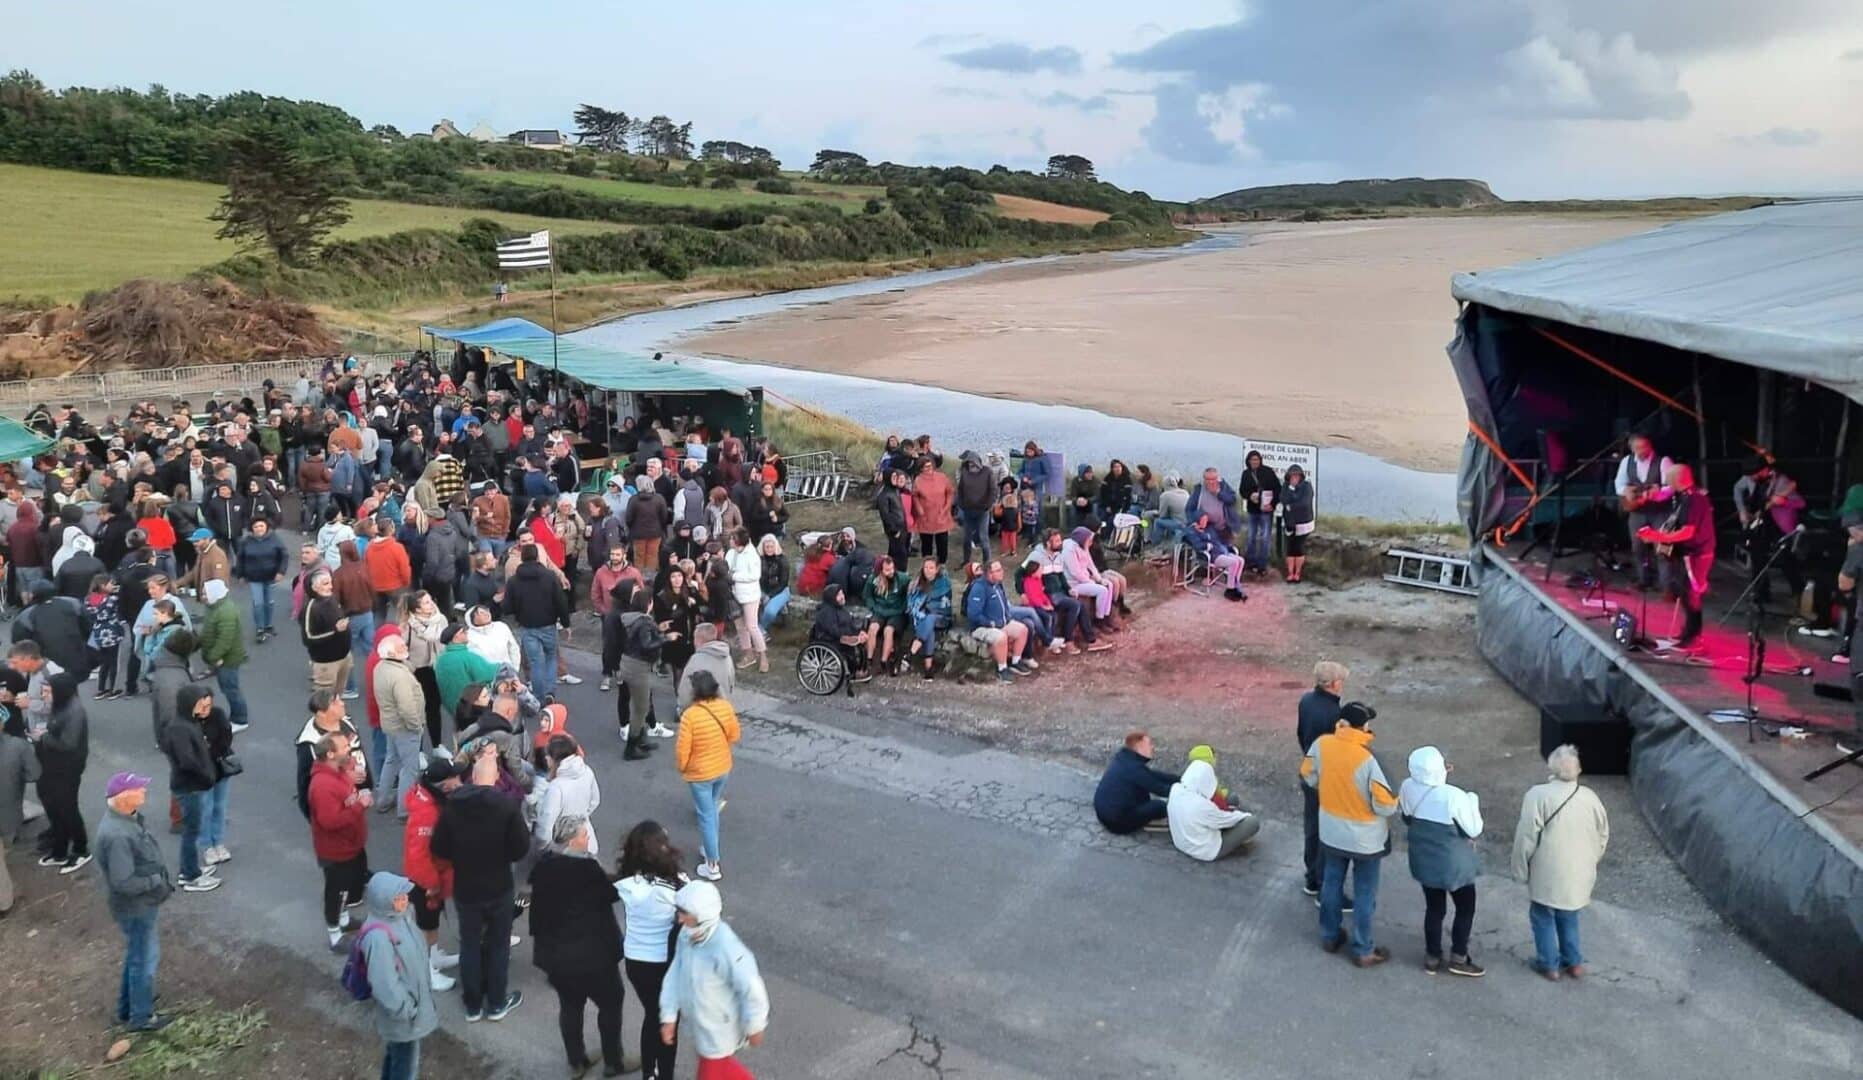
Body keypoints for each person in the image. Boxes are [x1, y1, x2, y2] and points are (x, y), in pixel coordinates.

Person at [430, 736, 531, 1022]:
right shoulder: (506, 807)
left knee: (470, 943)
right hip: (498, 885)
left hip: (466, 886)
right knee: (498, 944)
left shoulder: (453, 808)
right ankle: (497, 1002)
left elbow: (439, 847)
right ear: (496, 776)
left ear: (473, 777)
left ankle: (472, 1004)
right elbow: (521, 848)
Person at [530, 814, 627, 1077]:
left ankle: (577, 1062)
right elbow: (611, 894)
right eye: (584, 835)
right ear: (574, 840)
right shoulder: (588, 871)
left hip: (557, 959)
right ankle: (613, 1061)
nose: (587, 839)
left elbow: (536, 918)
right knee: (611, 1003)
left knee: (570, 1008)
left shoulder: (543, 868)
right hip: (593, 958)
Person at [1301, 701, 1397, 967]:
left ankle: (1330, 936)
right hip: (1366, 840)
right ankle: (1363, 948)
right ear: (1363, 727)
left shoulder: (1322, 745)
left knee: (1332, 882)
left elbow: (1308, 776)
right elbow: (1386, 805)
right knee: (1365, 892)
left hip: (1331, 831)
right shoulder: (1369, 759)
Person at [1511, 745, 1610, 981]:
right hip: (1579, 870)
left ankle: (1549, 964)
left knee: (1542, 914)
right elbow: (1603, 834)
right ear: (1578, 769)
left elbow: (1526, 837)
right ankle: (1574, 962)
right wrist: (1590, 860)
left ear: (1552, 767)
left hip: (1547, 869)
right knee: (1569, 914)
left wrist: (1520, 870)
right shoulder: (1590, 797)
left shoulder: (1537, 795)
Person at [660, 880, 769, 1078]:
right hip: (701, 1026)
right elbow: (675, 974)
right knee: (723, 1068)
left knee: (711, 1071)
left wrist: (755, 1025)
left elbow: (751, 987)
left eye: (685, 914)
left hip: (718, 1031)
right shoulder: (687, 936)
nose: (680, 919)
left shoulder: (726, 948)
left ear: (702, 916)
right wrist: (668, 1016)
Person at [94, 772, 175, 1032]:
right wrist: (154, 881)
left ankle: (126, 1009)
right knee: (144, 960)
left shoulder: (125, 821)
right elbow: (124, 882)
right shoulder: (118, 835)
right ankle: (141, 1017)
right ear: (123, 798)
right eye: (139, 790)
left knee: (136, 956)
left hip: (135, 907)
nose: (144, 793)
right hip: (136, 908)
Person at [1400, 746, 1485, 976]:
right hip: (1454, 865)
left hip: (1424, 861)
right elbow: (1474, 828)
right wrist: (1472, 799)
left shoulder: (1407, 787)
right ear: (1440, 769)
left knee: (1434, 909)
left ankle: (1432, 957)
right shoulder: (1454, 795)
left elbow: (1407, 816)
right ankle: (1458, 956)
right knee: (1465, 907)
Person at [617, 821, 688, 1080]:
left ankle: (649, 1073)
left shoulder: (627, 881)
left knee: (652, 1015)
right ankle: (665, 1074)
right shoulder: (678, 884)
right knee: (669, 1020)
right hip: (666, 962)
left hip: (636, 960)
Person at [357, 871, 442, 1080]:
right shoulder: (378, 938)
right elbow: (384, 984)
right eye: (397, 898)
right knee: (405, 1069)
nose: (404, 900)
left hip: (408, 1013)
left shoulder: (400, 918)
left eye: (404, 895)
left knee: (396, 1058)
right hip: (404, 1018)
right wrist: (407, 1011)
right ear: (382, 901)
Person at [1636, 462, 1715, 649]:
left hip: (1697, 553)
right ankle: (1688, 631)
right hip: (1687, 553)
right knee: (1684, 592)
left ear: (1677, 480)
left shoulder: (1694, 499)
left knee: (1691, 594)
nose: (1667, 483)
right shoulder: (1683, 497)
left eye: (1669, 479)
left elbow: (1688, 532)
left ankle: (1694, 635)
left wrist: (1658, 536)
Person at [404, 753, 464, 992]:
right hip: (427, 881)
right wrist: (431, 884)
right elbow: (418, 855)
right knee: (425, 925)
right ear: (445, 784)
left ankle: (434, 956)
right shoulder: (427, 814)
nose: (460, 780)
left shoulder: (430, 799)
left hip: (434, 876)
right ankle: (426, 970)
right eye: (455, 777)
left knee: (432, 921)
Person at [161, 685, 228, 891]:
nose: (204, 705)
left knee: (192, 830)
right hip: (189, 787)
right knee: (191, 832)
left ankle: (189, 868)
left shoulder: (188, 722)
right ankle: (190, 876)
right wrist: (206, 775)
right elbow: (187, 761)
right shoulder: (180, 728)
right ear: (189, 703)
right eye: (200, 702)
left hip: (191, 785)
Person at [1296, 661, 1351, 906]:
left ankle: (1311, 878)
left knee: (1312, 828)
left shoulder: (1306, 700)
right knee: (1327, 832)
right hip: (1326, 778)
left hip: (1309, 771)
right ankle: (1323, 887)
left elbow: (1301, 734)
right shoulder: (1334, 714)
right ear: (1333, 684)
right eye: (1341, 681)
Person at [678, 670, 738, 883]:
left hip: (700, 774)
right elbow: (734, 735)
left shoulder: (690, 716)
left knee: (706, 815)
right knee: (711, 808)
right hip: (722, 768)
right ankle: (707, 845)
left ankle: (712, 864)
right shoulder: (725, 707)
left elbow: (683, 751)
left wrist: (684, 768)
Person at [35, 670, 92, 872]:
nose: (44, 696)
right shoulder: (60, 705)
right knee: (53, 804)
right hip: (54, 765)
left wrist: (43, 737)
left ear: (60, 692)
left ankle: (80, 848)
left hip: (68, 767)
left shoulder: (74, 711)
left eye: (47, 692)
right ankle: (59, 849)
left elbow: (69, 743)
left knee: (67, 807)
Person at [374, 634, 427, 818]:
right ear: (391, 653)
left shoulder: (381, 667)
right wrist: (416, 726)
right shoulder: (399, 676)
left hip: (390, 724)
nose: (405, 647)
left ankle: (383, 799)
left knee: (391, 760)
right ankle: (405, 809)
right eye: (400, 647)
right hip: (405, 727)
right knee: (409, 769)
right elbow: (406, 707)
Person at [1167, 759, 1260, 861]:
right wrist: (1244, 815)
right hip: (1206, 850)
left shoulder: (1175, 789)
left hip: (1181, 842)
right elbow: (1227, 820)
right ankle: (1232, 845)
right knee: (1252, 822)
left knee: (1230, 799)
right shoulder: (1200, 805)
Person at [508, 543, 568, 700]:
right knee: (550, 657)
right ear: (537, 556)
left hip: (527, 626)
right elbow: (560, 601)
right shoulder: (549, 576)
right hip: (548, 624)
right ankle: (550, 691)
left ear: (522, 557)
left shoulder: (514, 580)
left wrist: (517, 612)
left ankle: (539, 696)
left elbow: (507, 606)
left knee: (535, 663)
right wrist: (566, 623)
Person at [1615, 432, 1674, 590]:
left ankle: (1667, 587)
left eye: (1644, 447)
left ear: (1650, 446)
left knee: (1662, 549)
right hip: (1638, 512)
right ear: (1632, 448)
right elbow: (1619, 484)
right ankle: (1643, 580)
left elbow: (1672, 487)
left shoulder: (1663, 461)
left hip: (1659, 512)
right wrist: (1626, 491)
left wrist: (1657, 494)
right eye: (1638, 448)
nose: (1641, 451)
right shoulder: (1627, 461)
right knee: (1638, 548)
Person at [1093, 731, 1178, 834]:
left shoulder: (1124, 759)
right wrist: (1187, 790)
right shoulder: (1134, 768)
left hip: (1105, 815)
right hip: (1117, 823)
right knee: (1160, 806)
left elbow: (1152, 775)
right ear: (1139, 747)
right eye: (1149, 744)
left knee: (1141, 790)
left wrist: (1180, 779)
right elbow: (1161, 790)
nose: (1152, 747)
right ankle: (1149, 823)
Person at [196, 578, 250, 731]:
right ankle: (236, 716)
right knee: (228, 687)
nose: (203, 596)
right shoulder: (214, 607)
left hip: (227, 660)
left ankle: (240, 720)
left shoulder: (226, 613)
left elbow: (224, 641)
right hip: (222, 659)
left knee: (231, 689)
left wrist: (213, 657)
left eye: (205, 593)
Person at [535, 735, 602, 856]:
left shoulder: (556, 787)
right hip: (586, 835)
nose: (546, 758)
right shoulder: (587, 771)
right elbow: (595, 800)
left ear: (556, 759)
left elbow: (547, 820)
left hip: (563, 843)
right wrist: (582, 817)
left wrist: (544, 845)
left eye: (548, 755)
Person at [234, 516, 288, 643]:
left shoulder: (275, 539)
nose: (259, 529)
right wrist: (240, 575)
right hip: (254, 577)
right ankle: (260, 628)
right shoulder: (246, 541)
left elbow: (284, 555)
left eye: (261, 526)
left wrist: (281, 572)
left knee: (269, 602)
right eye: (256, 527)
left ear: (266, 527)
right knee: (258, 603)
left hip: (271, 576)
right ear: (252, 529)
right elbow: (240, 558)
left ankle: (268, 625)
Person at [301, 568, 354, 697]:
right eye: (325, 583)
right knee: (324, 701)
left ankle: (338, 716)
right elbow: (308, 638)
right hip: (326, 662)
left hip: (344, 657)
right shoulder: (311, 608)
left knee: (338, 695)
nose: (330, 587)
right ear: (314, 587)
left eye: (330, 583)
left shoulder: (332, 599)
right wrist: (336, 631)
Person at [723, 529, 767, 673]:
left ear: (739, 540)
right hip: (734, 595)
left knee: (752, 626)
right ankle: (748, 653)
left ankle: (763, 656)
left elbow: (754, 575)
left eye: (732, 538)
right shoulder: (730, 553)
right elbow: (726, 569)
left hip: (750, 595)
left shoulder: (752, 555)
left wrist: (735, 577)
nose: (730, 541)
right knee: (740, 626)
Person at [905, 557, 953, 679]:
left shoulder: (944, 583)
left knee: (930, 618)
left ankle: (912, 651)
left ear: (937, 569)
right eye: (926, 567)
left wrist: (928, 608)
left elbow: (944, 604)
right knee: (928, 627)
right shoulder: (917, 583)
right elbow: (912, 603)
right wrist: (922, 610)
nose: (928, 570)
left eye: (931, 568)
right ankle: (928, 668)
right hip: (923, 616)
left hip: (942, 616)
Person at [862, 555, 909, 674]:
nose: (891, 572)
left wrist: (903, 608)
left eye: (892, 568)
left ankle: (883, 661)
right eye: (887, 570)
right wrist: (872, 606)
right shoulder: (873, 579)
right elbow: (867, 596)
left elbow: (908, 595)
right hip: (879, 610)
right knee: (872, 628)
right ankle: (869, 659)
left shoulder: (903, 579)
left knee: (888, 630)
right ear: (880, 570)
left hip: (896, 612)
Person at [1186, 512, 1248, 602]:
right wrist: (1207, 545)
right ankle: (1230, 590)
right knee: (1234, 563)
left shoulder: (1209, 529)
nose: (1205, 522)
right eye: (1203, 520)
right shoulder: (1192, 531)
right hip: (1212, 556)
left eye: (1206, 520)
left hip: (1222, 551)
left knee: (1240, 560)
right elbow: (1197, 545)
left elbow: (1218, 541)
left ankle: (1235, 587)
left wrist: (1227, 546)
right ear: (1198, 520)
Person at [1237, 451, 1281, 574]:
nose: (1254, 462)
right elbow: (1242, 490)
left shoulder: (1268, 472)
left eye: (1256, 460)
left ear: (1260, 460)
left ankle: (1262, 565)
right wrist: (1250, 496)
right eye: (1252, 460)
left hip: (1266, 510)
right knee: (1251, 536)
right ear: (1248, 461)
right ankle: (1250, 562)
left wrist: (1272, 505)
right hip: (1253, 510)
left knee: (1265, 537)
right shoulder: (1246, 474)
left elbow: (1278, 489)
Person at [678, 622, 735, 712]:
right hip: (722, 707)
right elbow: (731, 682)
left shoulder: (696, 660)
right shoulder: (726, 656)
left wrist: (683, 709)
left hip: (701, 711)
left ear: (698, 640)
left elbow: (685, 690)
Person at [1278, 464, 1316, 583]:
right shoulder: (1286, 486)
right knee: (1290, 548)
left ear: (1301, 476)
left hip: (1303, 522)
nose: (1294, 477)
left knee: (1299, 548)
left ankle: (1297, 573)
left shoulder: (1307, 486)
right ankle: (1290, 573)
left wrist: (1291, 505)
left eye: (1296, 475)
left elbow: (1304, 503)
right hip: (1289, 522)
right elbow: (1283, 499)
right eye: (1292, 475)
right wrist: (1291, 490)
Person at [1185, 468, 1241, 545]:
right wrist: (1195, 521)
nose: (1210, 482)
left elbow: (1233, 500)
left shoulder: (1224, 487)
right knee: (1218, 549)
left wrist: (1218, 493)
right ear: (1204, 479)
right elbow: (1189, 509)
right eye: (1208, 479)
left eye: (1213, 479)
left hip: (1225, 527)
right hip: (1208, 527)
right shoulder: (1199, 490)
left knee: (1227, 548)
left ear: (1217, 478)